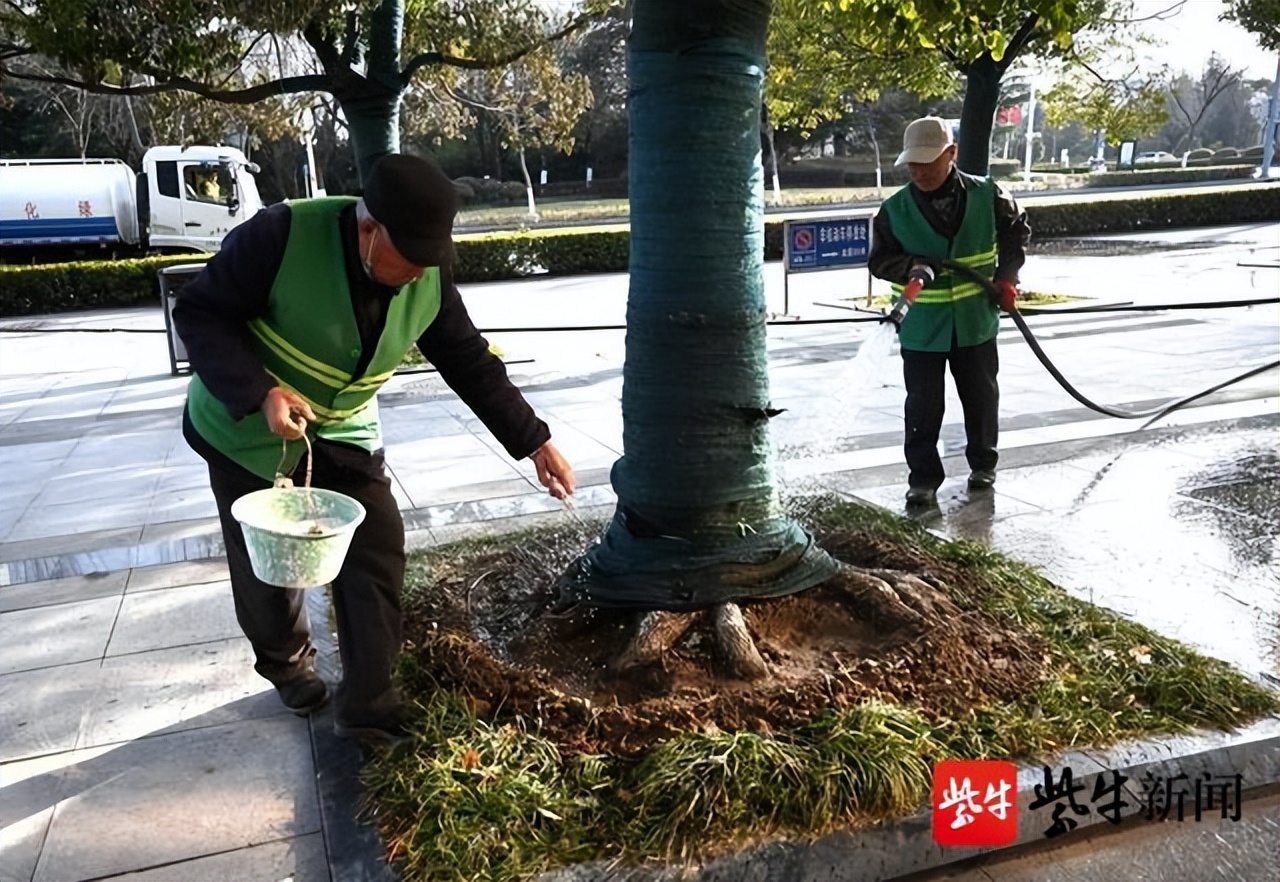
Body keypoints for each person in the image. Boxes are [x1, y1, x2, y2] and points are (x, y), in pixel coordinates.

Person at [173, 153, 576, 747]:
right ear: (368, 229)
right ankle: (286, 662)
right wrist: (259, 393)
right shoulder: (281, 234)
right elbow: (199, 311)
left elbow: (466, 356)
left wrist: (533, 438)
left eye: (427, 262)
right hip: (244, 427)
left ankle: (369, 704)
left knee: (377, 545)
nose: (418, 274)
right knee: (272, 566)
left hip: (341, 427)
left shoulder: (428, 268)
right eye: (407, 260)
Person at [869, 116, 1031, 508]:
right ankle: (923, 479)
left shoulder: (988, 194)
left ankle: (983, 464)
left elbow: (1017, 233)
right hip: (923, 326)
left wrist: (1007, 278)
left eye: (928, 161)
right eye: (913, 164)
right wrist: (910, 266)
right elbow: (879, 261)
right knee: (923, 406)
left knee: (980, 397)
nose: (920, 171)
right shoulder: (894, 210)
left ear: (951, 153)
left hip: (976, 320)